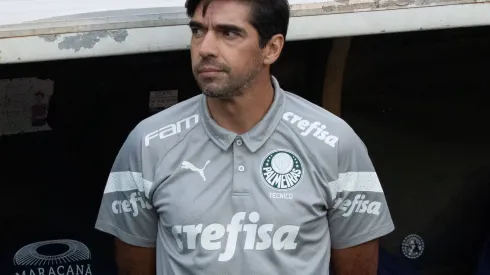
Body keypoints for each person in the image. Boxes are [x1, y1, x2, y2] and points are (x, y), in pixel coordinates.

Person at [94, 0, 395, 274]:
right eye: (198, 31)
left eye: (229, 33)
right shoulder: (147, 142)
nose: (205, 48)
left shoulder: (335, 142)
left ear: (272, 49)